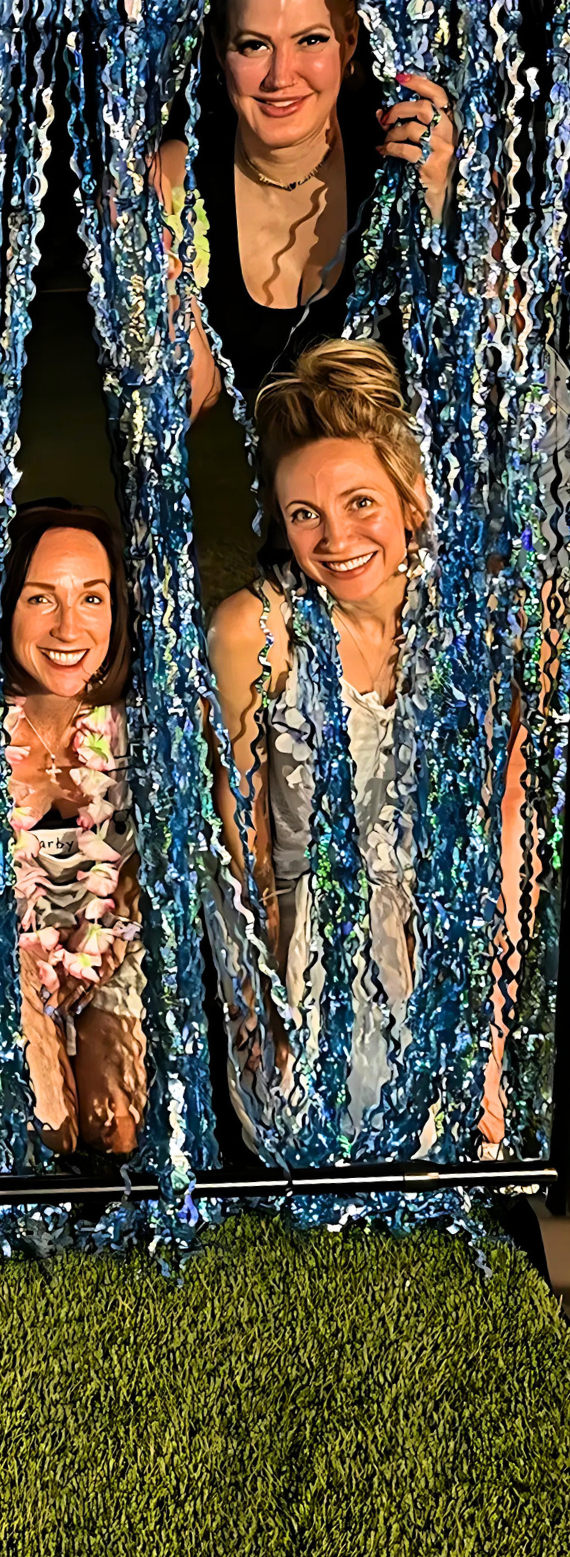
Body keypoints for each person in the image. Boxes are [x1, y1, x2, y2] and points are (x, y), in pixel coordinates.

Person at [203, 338, 524, 1148]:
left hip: (458, 936)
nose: (334, 537)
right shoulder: (256, 630)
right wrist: (264, 1008)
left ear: (411, 497)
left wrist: (488, 1018)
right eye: (303, 514)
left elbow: (508, 823)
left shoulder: (472, 619)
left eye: (360, 503)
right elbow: (240, 846)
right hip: (312, 958)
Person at [156, 0, 457, 421]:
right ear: (220, 53)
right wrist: (155, 272)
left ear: (349, 44)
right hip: (291, 496)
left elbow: (503, 358)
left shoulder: (409, 158)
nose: (281, 75)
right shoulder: (179, 179)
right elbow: (191, 397)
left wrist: (447, 203)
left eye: (311, 40)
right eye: (254, 45)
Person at [0, 502, 146, 1157]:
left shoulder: (138, 720)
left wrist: (114, 926)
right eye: (40, 598)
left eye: (92, 597)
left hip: (106, 945)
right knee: (46, 1134)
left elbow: (154, 865)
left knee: (116, 1134)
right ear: (0, 605)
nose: (69, 626)